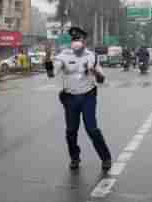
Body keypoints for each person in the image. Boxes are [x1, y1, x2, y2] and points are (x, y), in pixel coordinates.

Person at [45, 27, 112, 171]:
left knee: (92, 129)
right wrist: (47, 58)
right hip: (70, 98)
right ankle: (75, 157)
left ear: (84, 41)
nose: (76, 42)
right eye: (74, 39)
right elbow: (51, 74)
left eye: (79, 39)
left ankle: (106, 157)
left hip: (88, 96)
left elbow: (101, 80)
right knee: (71, 131)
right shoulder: (63, 56)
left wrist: (94, 71)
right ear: (72, 41)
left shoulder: (92, 56)